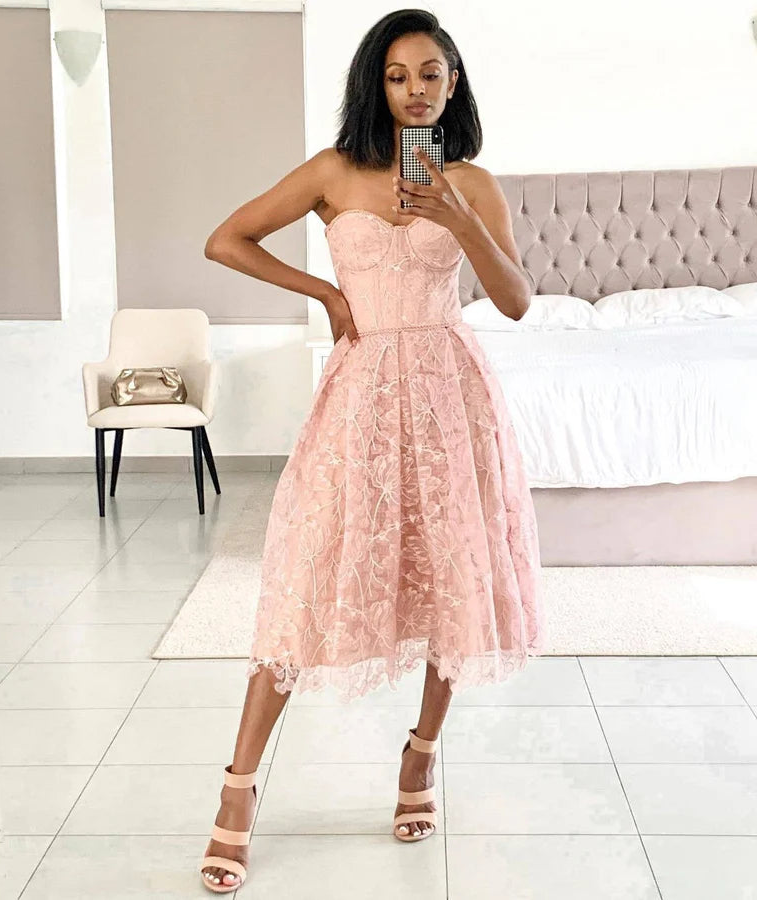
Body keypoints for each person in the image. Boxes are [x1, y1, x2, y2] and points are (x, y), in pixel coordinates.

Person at [198, 8, 544, 893]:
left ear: (453, 83)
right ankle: (238, 786)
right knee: (306, 577)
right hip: (360, 396)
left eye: (430, 73)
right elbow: (226, 240)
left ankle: (421, 752)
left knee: (449, 574)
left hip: (450, 394)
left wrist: (459, 216)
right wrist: (324, 293)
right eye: (397, 76)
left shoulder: (473, 182)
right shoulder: (333, 171)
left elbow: (515, 300)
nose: (415, 90)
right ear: (376, 86)